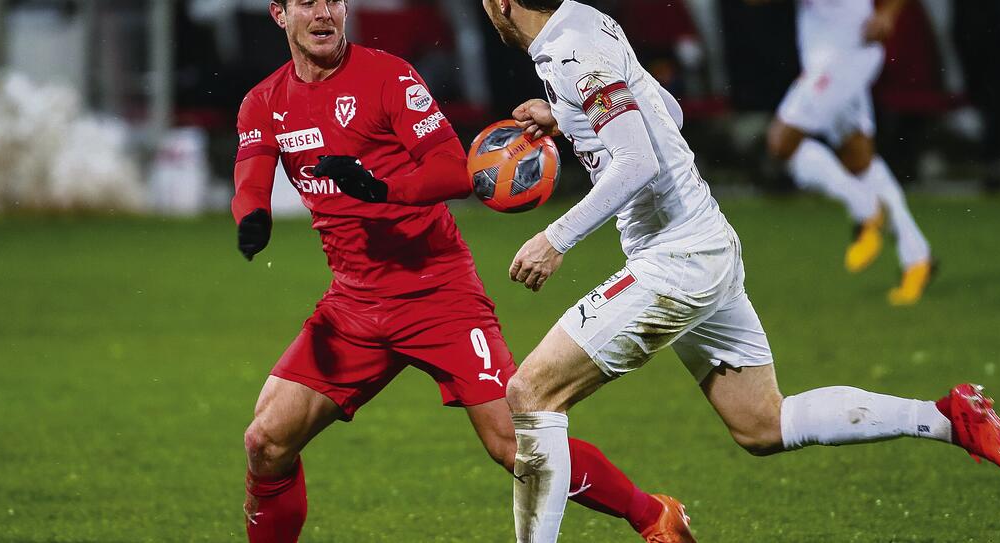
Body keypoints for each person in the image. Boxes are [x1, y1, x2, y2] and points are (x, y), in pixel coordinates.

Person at [474, 1, 1000, 541]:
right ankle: (948, 418)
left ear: (501, 3)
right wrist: (571, 117)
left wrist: (556, 237)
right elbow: (666, 112)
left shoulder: (573, 53)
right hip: (707, 244)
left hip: (675, 261)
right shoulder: (587, 24)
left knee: (530, 394)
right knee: (762, 425)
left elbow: (640, 160)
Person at [232, 1, 690, 541]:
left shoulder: (389, 77)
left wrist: (380, 187)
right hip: (352, 305)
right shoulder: (265, 101)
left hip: (439, 295)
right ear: (279, 14)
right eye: (307, 2)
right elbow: (251, 179)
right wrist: (252, 218)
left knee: (516, 445)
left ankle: (654, 515)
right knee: (266, 442)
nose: (324, 13)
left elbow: (456, 169)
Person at [758, 0, 934, 305]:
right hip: (831, 59)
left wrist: (887, 13)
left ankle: (865, 208)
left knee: (782, 143)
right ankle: (917, 257)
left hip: (845, 59)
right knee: (859, 158)